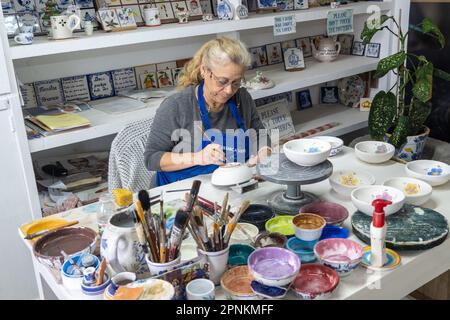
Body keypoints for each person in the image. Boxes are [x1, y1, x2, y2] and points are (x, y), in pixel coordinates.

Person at [144, 37, 272, 187]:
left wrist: (264, 153)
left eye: (236, 82)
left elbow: (260, 136)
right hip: (180, 192)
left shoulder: (242, 98)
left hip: (228, 186)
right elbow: (151, 158)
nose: (229, 90)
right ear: (204, 70)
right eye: (222, 81)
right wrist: (198, 158)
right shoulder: (176, 106)